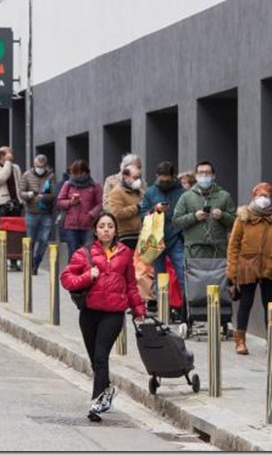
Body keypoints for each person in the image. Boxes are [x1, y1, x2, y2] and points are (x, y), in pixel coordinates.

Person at [60, 212, 146, 422]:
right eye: (102, 226)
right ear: (95, 230)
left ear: (116, 229)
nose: (106, 229)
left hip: (113, 315)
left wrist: (139, 310)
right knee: (94, 360)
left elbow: (131, 285)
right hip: (89, 313)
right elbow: (66, 279)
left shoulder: (125, 253)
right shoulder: (84, 253)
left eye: (110, 226)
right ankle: (106, 390)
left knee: (101, 356)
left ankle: (97, 402)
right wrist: (88, 276)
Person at [226, 182, 272, 355]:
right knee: (245, 303)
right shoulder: (243, 218)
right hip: (247, 267)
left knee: (270, 305)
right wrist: (232, 271)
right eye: (260, 195)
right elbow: (233, 245)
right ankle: (240, 340)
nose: (263, 199)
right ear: (253, 197)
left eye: (267, 196)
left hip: (270, 267)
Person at [173, 161, 237, 260]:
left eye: (207, 172)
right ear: (196, 176)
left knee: (217, 276)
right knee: (194, 276)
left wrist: (222, 216)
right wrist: (194, 217)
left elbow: (235, 222)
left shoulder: (224, 196)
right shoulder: (186, 197)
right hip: (194, 252)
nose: (204, 175)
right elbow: (176, 222)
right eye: (201, 172)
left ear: (213, 176)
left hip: (217, 252)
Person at [140, 161, 187, 298]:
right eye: (161, 181)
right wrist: (155, 210)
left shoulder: (182, 193)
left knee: (183, 275)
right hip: (156, 240)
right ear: (157, 176)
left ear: (173, 177)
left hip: (176, 237)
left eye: (167, 181)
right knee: (159, 279)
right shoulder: (150, 193)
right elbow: (143, 215)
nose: (164, 183)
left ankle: (186, 312)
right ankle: (162, 312)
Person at [56, 159, 103, 257]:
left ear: (85, 172)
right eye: (74, 173)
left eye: (79, 173)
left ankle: (88, 271)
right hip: (71, 225)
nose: (76, 176)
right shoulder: (68, 184)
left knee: (89, 252)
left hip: (88, 226)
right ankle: (73, 272)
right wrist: (70, 202)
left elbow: (100, 204)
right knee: (73, 252)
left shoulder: (95, 186)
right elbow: (59, 201)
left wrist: (91, 214)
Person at [19, 154, 56, 275]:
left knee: (44, 240)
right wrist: (29, 195)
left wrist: (44, 197)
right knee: (30, 240)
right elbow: (21, 192)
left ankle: (36, 263)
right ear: (34, 165)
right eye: (37, 166)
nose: (40, 168)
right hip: (31, 212)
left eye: (42, 166)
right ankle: (29, 264)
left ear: (45, 166)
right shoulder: (27, 175)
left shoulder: (50, 176)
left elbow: (54, 194)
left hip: (46, 213)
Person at [0, 146, 24, 270]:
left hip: (16, 204)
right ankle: (1, 261)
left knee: (16, 233)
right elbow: (1, 179)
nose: (11, 155)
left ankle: (14, 261)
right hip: (3, 204)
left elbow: (19, 183)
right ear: (2, 156)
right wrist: (8, 163)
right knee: (2, 233)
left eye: (11, 153)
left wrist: (21, 200)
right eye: (8, 154)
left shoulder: (16, 168)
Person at [107, 164, 143, 250]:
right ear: (125, 177)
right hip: (125, 235)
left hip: (140, 234)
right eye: (135, 178)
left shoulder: (139, 192)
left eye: (139, 177)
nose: (138, 180)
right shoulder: (116, 193)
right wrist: (137, 208)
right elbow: (117, 213)